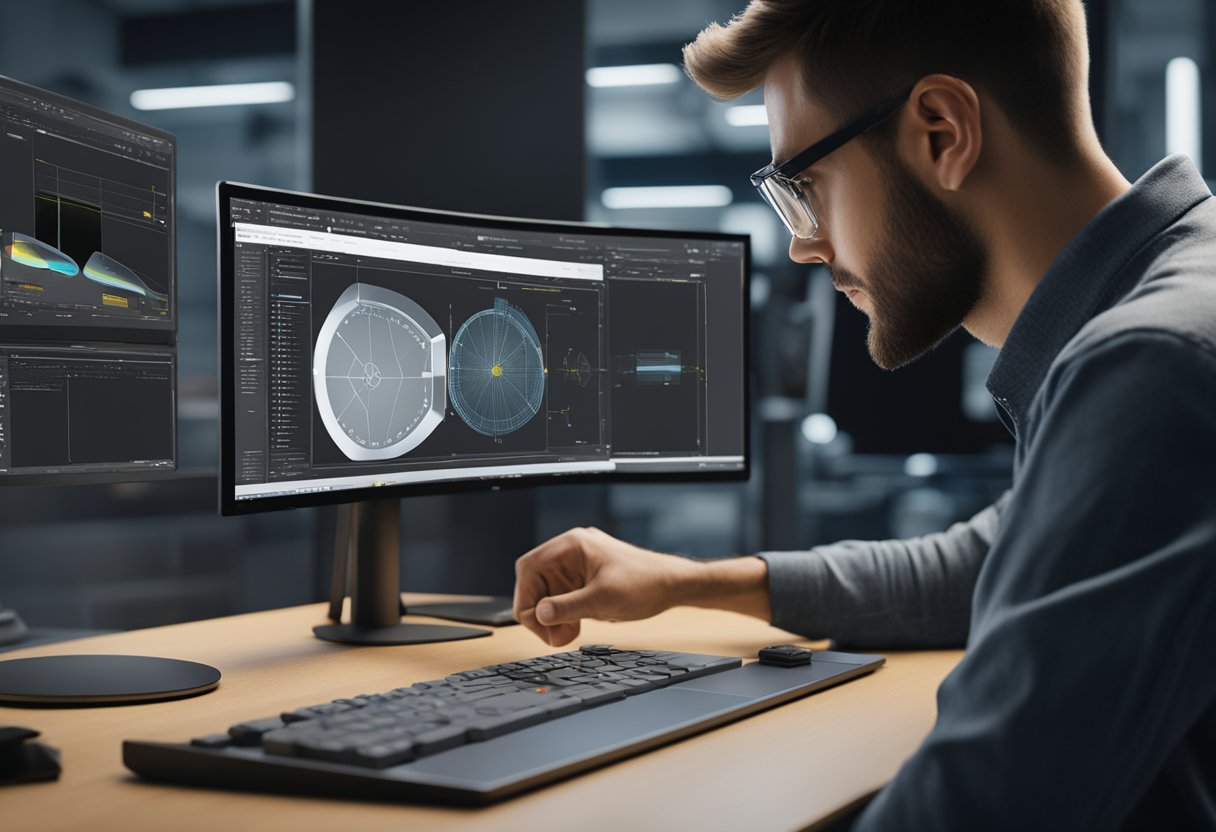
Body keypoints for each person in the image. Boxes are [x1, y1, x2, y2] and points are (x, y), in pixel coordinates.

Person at [513, 0, 1216, 828]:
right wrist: (683, 582)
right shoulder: (1174, 301)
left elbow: (982, 804)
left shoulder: (1151, 363)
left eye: (801, 185)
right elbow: (984, 564)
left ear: (941, 133)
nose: (801, 246)